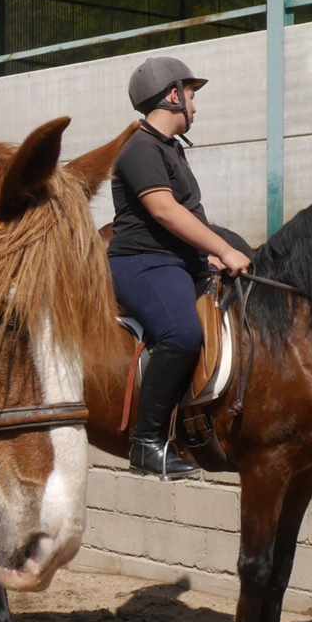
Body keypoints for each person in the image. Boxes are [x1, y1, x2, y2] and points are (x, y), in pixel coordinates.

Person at [108, 56, 251, 480]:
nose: (195, 104)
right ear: (174, 95)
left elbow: (188, 215)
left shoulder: (169, 149)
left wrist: (207, 254)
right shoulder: (139, 149)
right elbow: (165, 211)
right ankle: (147, 442)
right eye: (191, 94)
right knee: (182, 333)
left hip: (177, 261)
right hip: (144, 263)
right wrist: (224, 249)